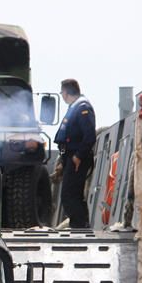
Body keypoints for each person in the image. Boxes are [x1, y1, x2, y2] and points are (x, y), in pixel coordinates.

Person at [53, 79, 96, 228]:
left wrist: (78, 156)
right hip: (70, 157)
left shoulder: (82, 107)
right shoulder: (75, 107)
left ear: (65, 92)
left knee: (69, 195)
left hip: (77, 158)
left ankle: (79, 227)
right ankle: (81, 225)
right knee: (75, 195)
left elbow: (89, 136)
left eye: (62, 92)